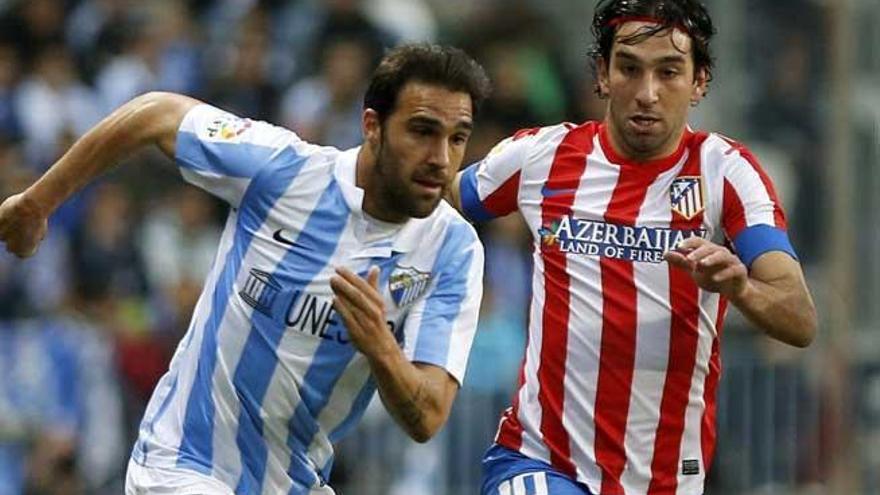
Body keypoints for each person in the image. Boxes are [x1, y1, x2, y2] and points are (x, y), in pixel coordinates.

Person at [0, 43, 490, 495]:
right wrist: (36, 204)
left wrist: (382, 348)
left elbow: (428, 416)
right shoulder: (284, 171)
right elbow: (155, 114)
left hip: (297, 482)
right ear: (372, 126)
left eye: (457, 138)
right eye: (423, 131)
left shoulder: (452, 250)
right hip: (184, 466)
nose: (441, 159)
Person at [446, 1, 818, 494]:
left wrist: (740, 286)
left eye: (669, 72)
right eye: (629, 69)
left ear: (699, 81)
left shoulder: (727, 174)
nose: (647, 93)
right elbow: (431, 200)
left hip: (664, 480)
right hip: (539, 461)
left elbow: (800, 318)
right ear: (602, 74)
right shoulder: (540, 157)